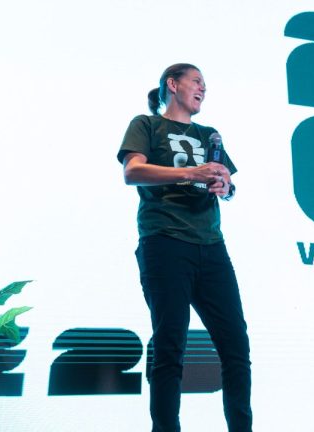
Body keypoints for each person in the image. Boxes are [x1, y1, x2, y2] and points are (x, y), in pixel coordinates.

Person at [117, 63, 252, 432]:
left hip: (211, 246)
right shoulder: (147, 125)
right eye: (196, 81)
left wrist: (225, 187)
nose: (203, 89)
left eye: (206, 85)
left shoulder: (210, 135)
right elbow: (132, 172)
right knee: (170, 346)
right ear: (172, 85)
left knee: (237, 348)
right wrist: (191, 173)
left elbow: (228, 186)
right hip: (164, 241)